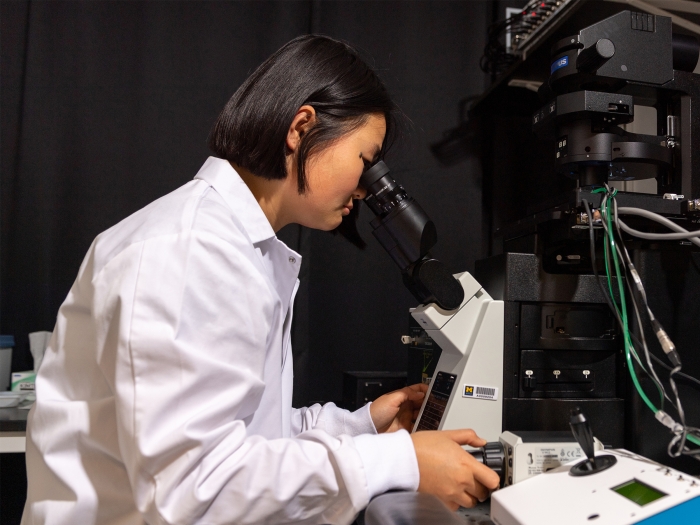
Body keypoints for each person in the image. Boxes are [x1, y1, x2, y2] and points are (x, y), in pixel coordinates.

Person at [22, 35, 499, 525]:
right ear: (301, 127)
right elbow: (196, 491)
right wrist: (400, 462)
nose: (364, 187)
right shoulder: (190, 251)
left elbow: (248, 438)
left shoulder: (237, 248)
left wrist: (365, 426)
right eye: (365, 160)